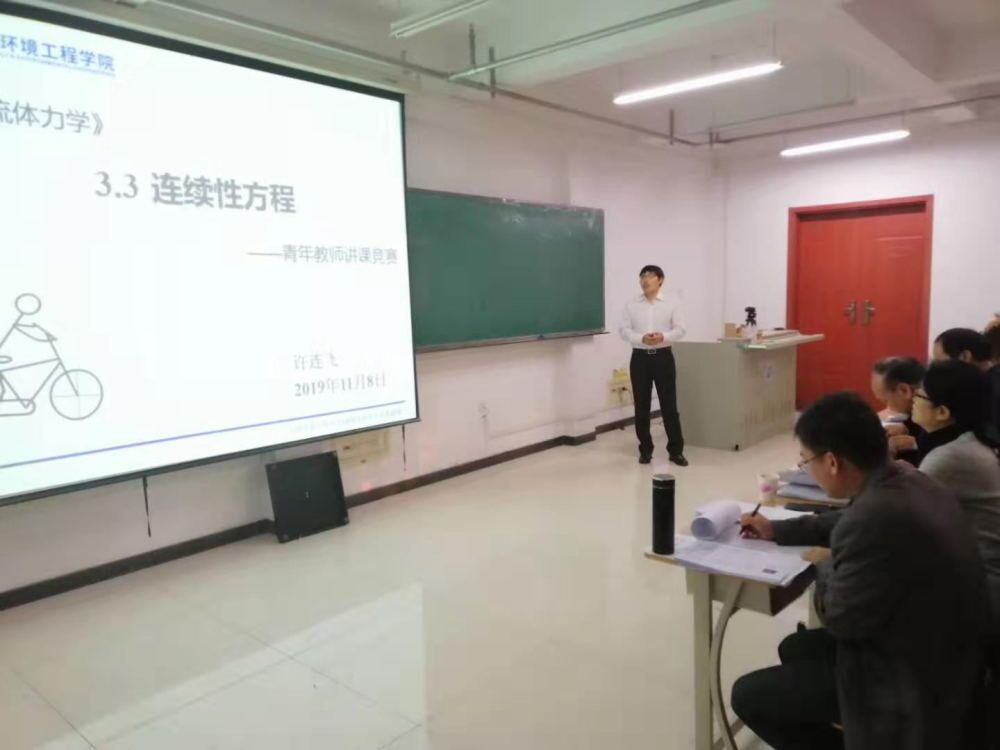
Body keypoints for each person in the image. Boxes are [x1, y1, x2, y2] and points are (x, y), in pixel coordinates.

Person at [732, 391, 986, 750]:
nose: (806, 468)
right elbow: (848, 521)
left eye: (806, 461)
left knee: (747, 695)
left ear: (832, 462)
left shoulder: (874, 517)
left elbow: (839, 616)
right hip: (944, 650)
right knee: (796, 647)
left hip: (913, 680)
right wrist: (778, 530)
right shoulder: (907, 478)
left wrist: (825, 562)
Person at [618, 265, 687, 466]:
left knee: (669, 406)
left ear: (660, 279)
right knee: (641, 406)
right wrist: (642, 338)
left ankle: (676, 451)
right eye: (641, 277)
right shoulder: (631, 304)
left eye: (649, 276)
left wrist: (662, 336)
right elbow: (623, 330)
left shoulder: (672, 303)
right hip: (639, 358)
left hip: (663, 357)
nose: (644, 280)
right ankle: (645, 450)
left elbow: (681, 330)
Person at [933, 328, 999, 440]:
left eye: (941, 363)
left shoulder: (988, 389)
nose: (939, 370)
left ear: (965, 356)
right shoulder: (986, 381)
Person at [870, 357, 927, 464]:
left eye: (886, 401)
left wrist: (913, 443)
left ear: (904, 390)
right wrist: (908, 429)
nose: (887, 410)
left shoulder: (937, 409)